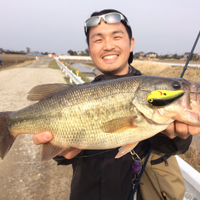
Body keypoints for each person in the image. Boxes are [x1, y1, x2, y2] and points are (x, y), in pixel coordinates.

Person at [33, 9, 200, 200]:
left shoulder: (150, 92)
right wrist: (60, 152)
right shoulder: (78, 95)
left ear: (131, 44)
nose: (108, 45)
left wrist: (177, 136)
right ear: (90, 50)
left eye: (116, 36)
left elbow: (172, 148)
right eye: (98, 40)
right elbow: (65, 154)